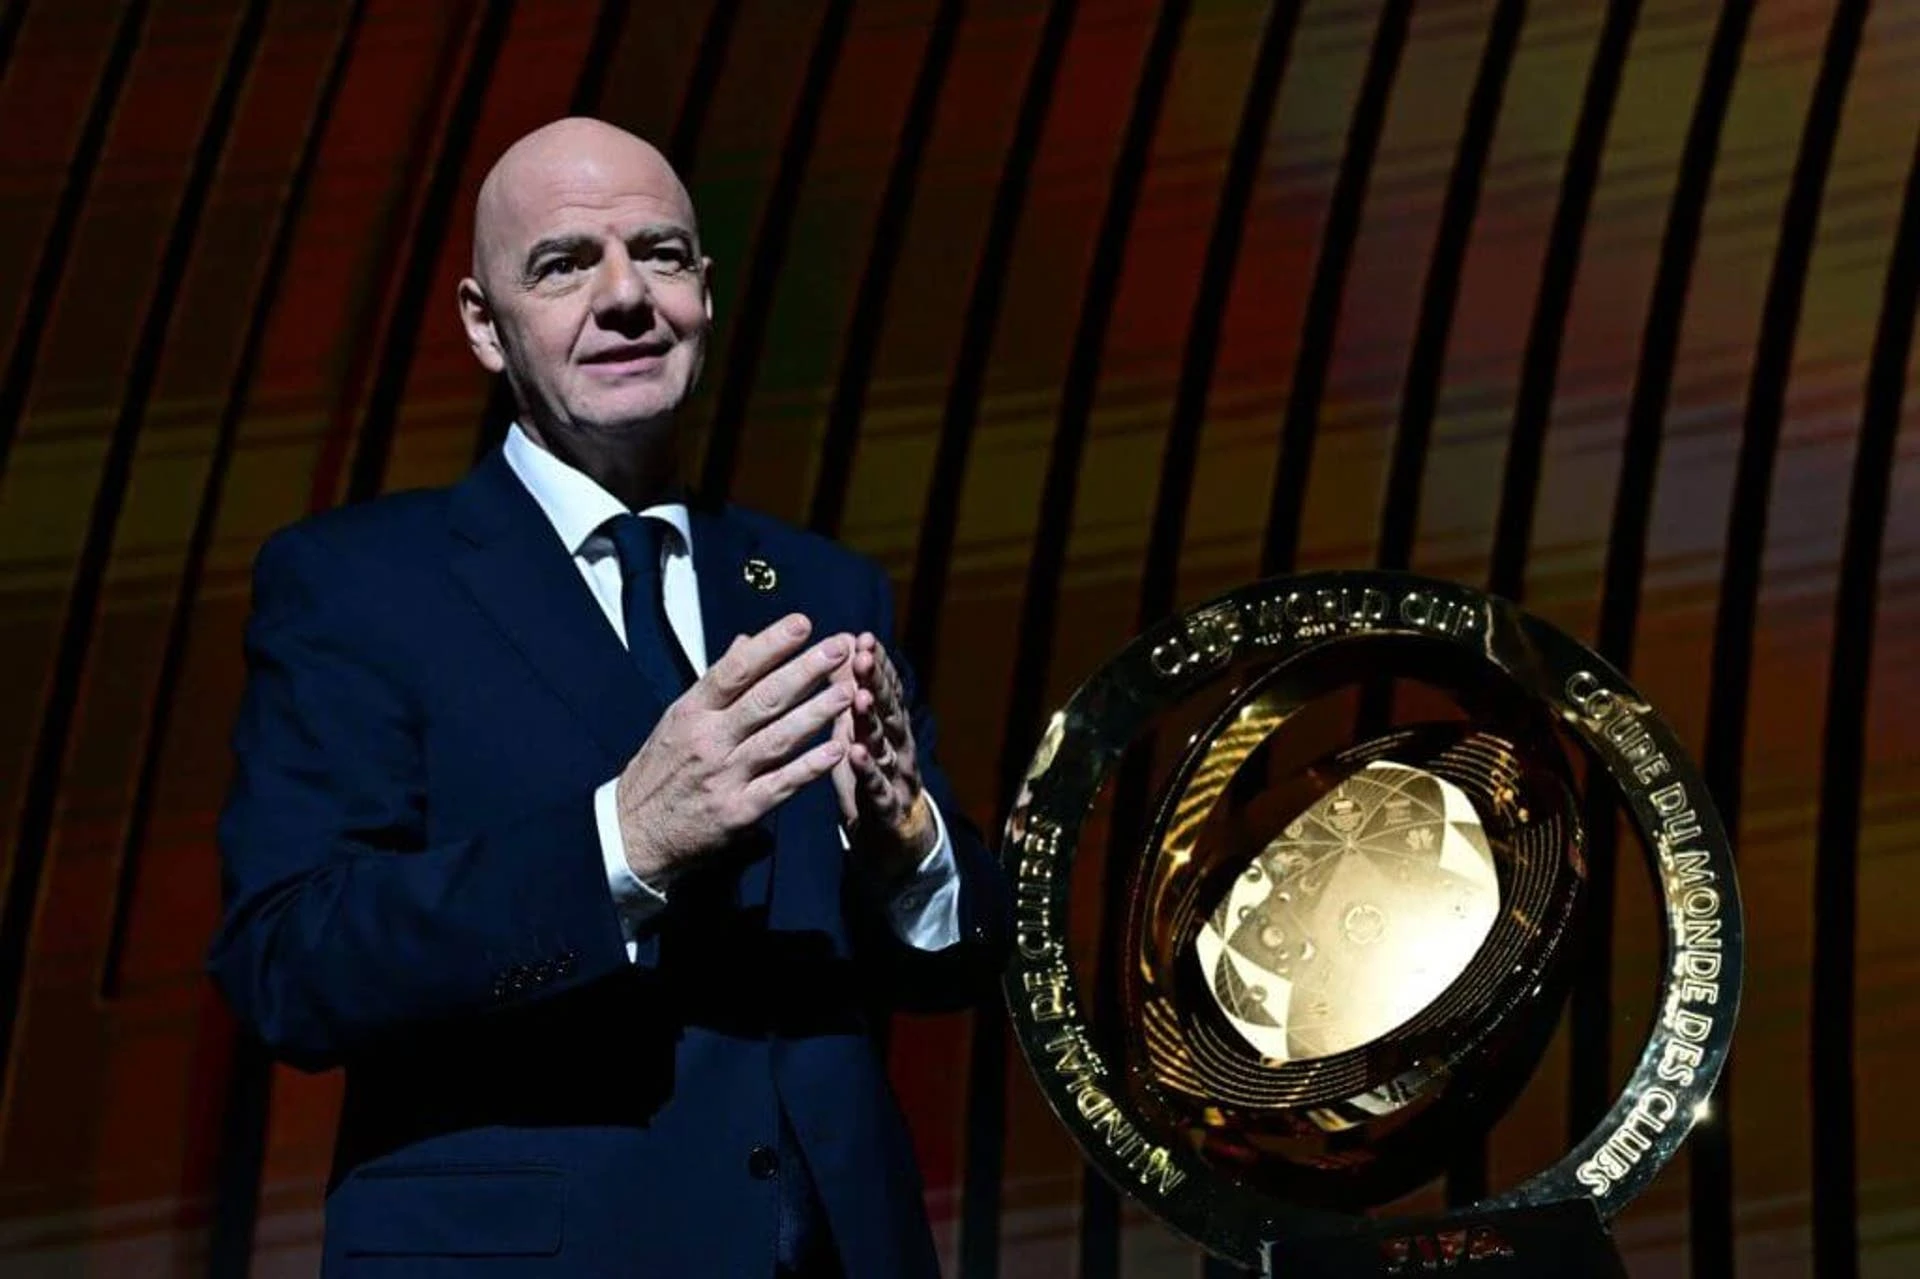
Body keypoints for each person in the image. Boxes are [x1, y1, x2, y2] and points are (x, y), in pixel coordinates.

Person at [209, 116, 1008, 1278]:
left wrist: (909, 847)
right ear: (485, 324)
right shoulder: (354, 584)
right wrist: (619, 845)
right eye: (566, 262)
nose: (628, 295)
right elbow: (289, 964)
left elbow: (954, 963)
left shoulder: (822, 585)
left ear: (707, 294)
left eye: (662, 253)